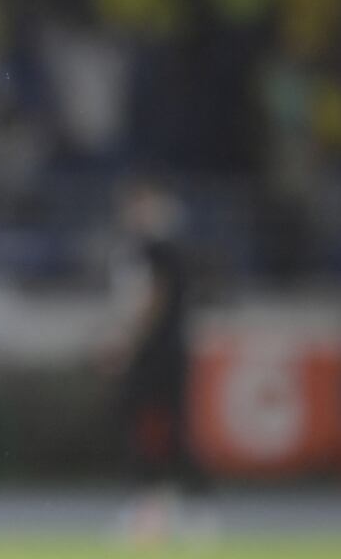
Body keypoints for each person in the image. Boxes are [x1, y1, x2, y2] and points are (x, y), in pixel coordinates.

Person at [104, 178, 213, 546]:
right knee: (149, 428)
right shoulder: (148, 249)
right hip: (161, 350)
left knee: (161, 429)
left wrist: (128, 342)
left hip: (159, 352)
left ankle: (181, 507)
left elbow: (155, 298)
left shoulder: (158, 249)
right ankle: (158, 508)